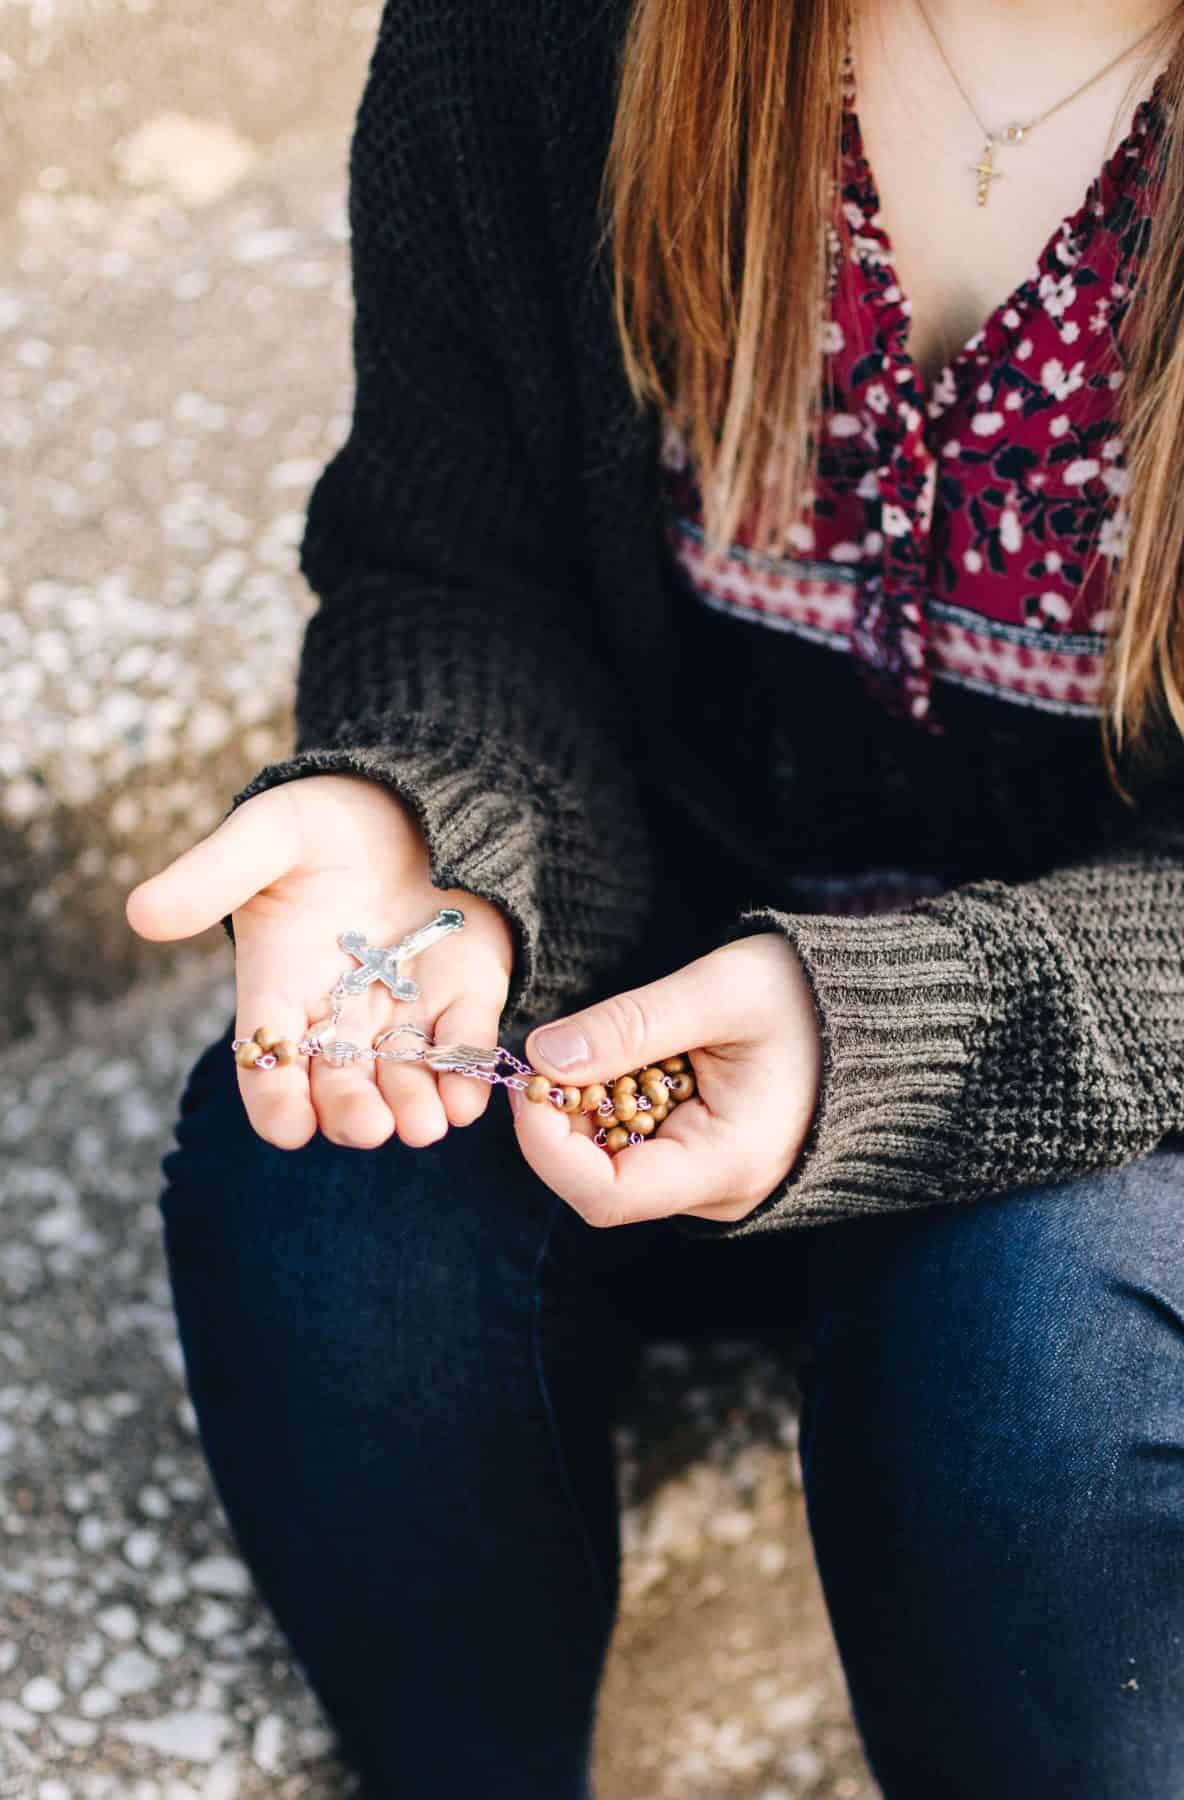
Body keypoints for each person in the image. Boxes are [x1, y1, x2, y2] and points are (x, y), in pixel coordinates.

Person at [125, 0, 1184, 1792]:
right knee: (313, 1193)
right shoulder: (539, 29)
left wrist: (894, 1040)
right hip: (637, 958)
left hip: (1129, 1104)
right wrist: (427, 821)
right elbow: (454, 554)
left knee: (1031, 1377)